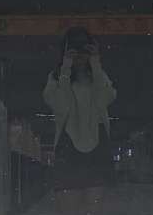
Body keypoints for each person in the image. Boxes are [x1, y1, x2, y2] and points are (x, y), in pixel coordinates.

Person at [42, 27, 117, 191]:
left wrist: (96, 63)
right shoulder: (56, 77)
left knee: (94, 205)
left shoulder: (99, 75)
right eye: (74, 49)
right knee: (70, 204)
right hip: (68, 141)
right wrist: (66, 68)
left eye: (84, 49)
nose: (80, 54)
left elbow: (105, 100)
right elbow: (61, 105)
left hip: (97, 140)